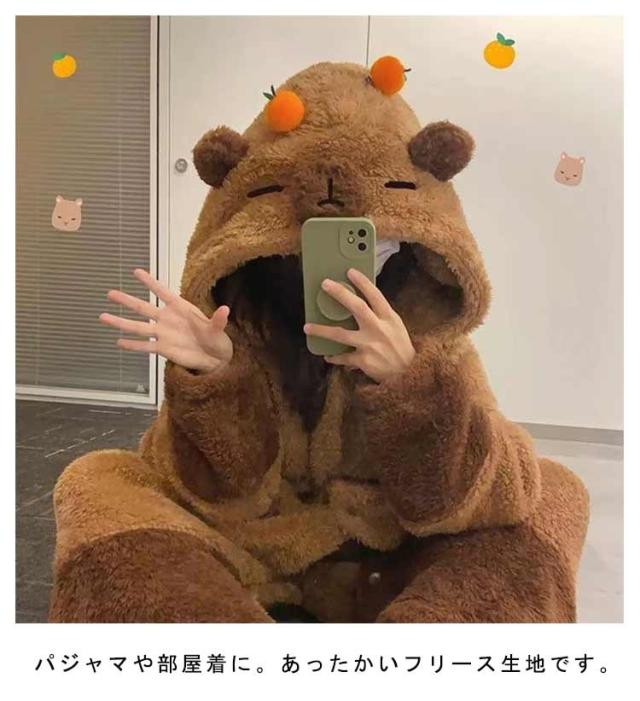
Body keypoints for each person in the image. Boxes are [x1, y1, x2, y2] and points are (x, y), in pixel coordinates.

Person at [48, 59, 589, 623]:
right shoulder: (239, 324)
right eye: (300, 246)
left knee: (555, 494)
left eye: (366, 243)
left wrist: (410, 388)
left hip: (391, 563)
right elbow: (210, 495)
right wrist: (218, 382)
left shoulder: (427, 337)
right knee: (96, 481)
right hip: (254, 557)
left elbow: (491, 493)